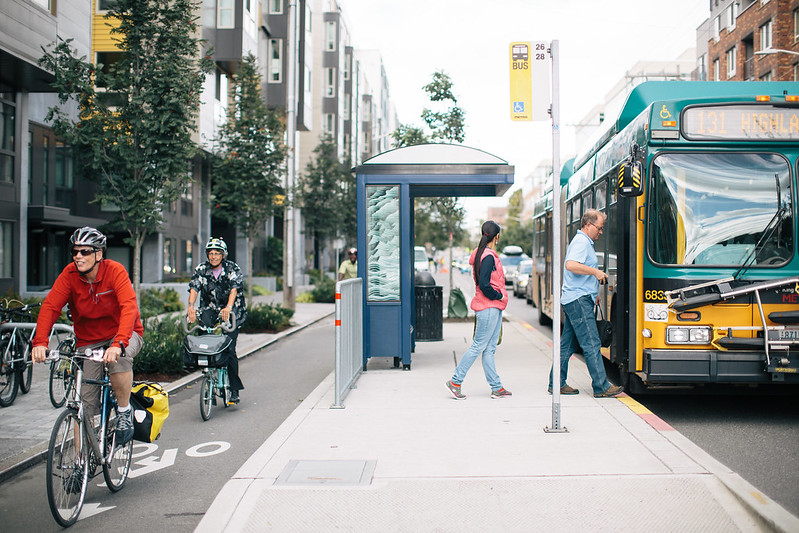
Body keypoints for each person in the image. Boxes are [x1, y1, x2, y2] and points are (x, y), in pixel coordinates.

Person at [32, 227, 144, 445]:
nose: (78, 257)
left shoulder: (115, 271)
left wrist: (118, 343)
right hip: (89, 342)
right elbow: (50, 307)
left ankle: (123, 411)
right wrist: (40, 342)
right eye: (75, 251)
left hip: (124, 336)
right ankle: (79, 464)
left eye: (85, 252)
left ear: (99, 254)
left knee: (119, 360)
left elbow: (128, 307)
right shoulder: (69, 274)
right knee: (83, 404)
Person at [549, 209, 623, 398]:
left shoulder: (584, 242)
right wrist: (595, 273)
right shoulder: (582, 242)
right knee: (591, 343)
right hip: (578, 300)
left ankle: (556, 383)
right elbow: (571, 265)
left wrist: (592, 292)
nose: (601, 232)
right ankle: (601, 386)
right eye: (599, 228)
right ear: (588, 225)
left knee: (567, 345)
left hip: (578, 298)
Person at [445, 221, 512, 400]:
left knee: (489, 349)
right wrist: (498, 295)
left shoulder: (482, 254)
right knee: (478, 346)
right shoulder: (488, 256)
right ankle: (455, 381)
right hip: (489, 307)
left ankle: (496, 387)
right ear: (496, 236)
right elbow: (484, 284)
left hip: (491, 307)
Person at [187, 237, 247, 404]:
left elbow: (234, 289)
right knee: (204, 342)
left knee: (229, 349)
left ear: (223, 255)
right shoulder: (201, 268)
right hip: (210, 309)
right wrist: (191, 306)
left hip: (232, 310)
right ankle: (209, 380)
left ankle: (234, 389)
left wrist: (228, 307)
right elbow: (194, 287)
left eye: (217, 254)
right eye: (211, 253)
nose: (213, 257)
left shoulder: (232, 268)